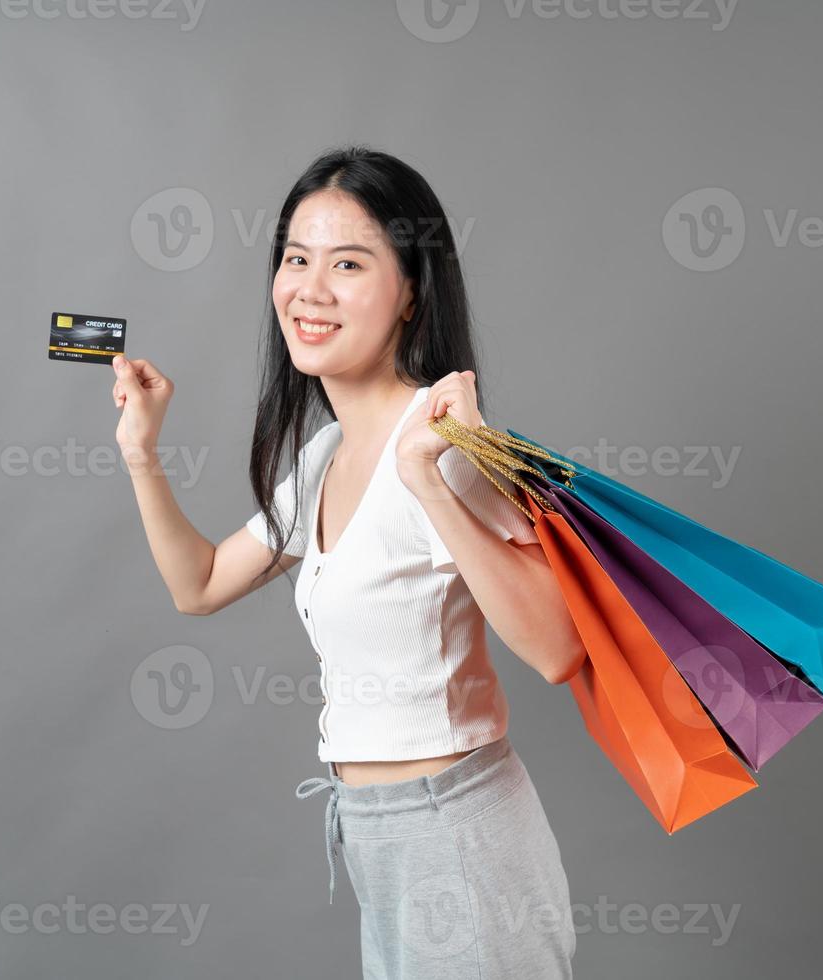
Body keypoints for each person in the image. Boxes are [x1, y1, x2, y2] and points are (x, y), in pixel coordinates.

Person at [111, 145, 585, 978]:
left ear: (411, 295)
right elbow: (200, 585)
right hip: (374, 835)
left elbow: (557, 648)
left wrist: (428, 481)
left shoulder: (451, 446)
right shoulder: (327, 452)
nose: (310, 289)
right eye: (296, 258)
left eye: (349, 263)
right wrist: (142, 452)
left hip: (459, 835)